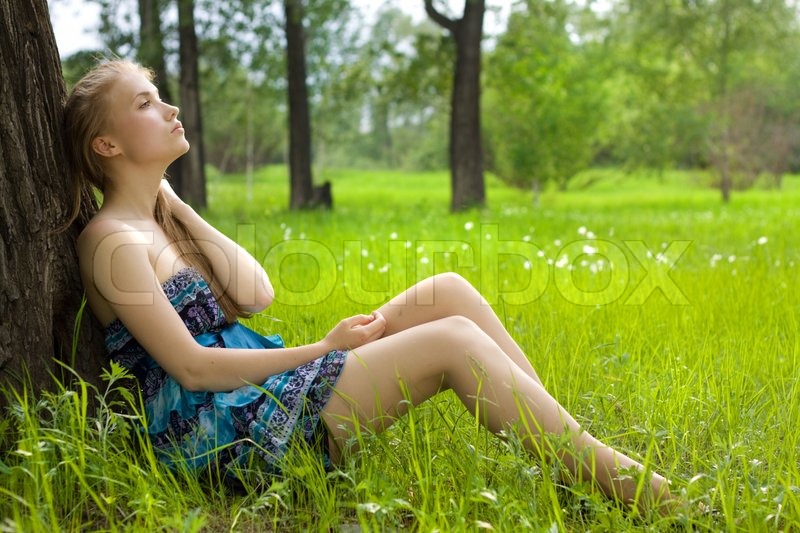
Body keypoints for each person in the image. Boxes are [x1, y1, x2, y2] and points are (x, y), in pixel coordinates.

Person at [63, 59, 674, 513]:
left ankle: (567, 458)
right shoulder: (112, 240)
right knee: (452, 341)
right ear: (107, 144)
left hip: (257, 393)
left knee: (447, 293)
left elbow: (256, 294)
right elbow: (193, 369)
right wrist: (323, 351)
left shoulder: (155, 222)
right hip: (223, 434)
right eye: (146, 103)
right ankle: (634, 487)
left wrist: (174, 202)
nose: (170, 109)